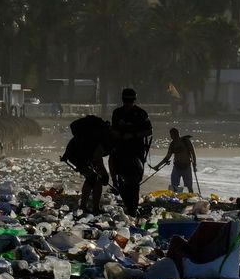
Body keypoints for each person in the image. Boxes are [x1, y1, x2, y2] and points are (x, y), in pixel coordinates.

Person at [109, 87, 152, 217]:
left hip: (136, 151)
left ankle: (132, 208)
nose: (128, 104)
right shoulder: (117, 113)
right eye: (126, 101)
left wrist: (133, 135)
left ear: (134, 101)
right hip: (120, 148)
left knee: (134, 182)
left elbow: (149, 131)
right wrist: (118, 135)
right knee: (112, 161)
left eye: (130, 101)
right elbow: (113, 129)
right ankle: (114, 181)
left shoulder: (141, 113)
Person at [61, 116, 111, 214]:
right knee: (94, 178)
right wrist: (105, 174)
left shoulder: (95, 134)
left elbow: (94, 155)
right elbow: (97, 157)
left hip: (80, 154)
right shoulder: (105, 137)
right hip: (77, 156)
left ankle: (88, 207)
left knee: (94, 179)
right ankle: (90, 207)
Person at [152, 127, 197, 193]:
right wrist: (157, 166)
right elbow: (167, 157)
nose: (171, 137)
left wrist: (194, 164)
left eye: (172, 135)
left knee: (189, 187)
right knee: (174, 186)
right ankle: (176, 200)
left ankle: (192, 198)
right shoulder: (172, 144)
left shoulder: (186, 141)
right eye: (171, 135)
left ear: (177, 134)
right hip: (177, 167)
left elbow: (193, 153)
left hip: (186, 167)